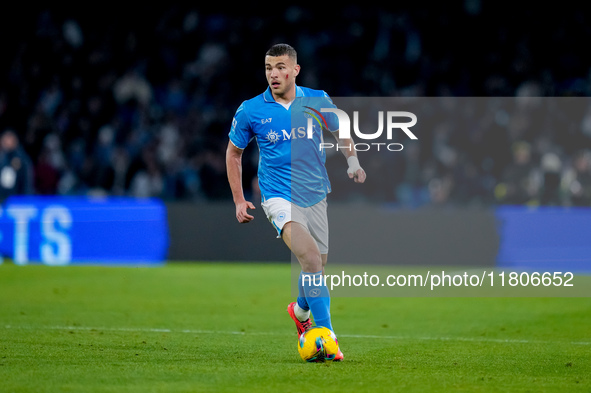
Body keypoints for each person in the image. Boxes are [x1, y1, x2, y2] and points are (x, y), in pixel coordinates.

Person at [226, 43, 366, 362]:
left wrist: (353, 161)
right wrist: (238, 199)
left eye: (279, 67)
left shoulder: (317, 99)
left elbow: (340, 129)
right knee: (312, 260)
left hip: (315, 194)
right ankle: (328, 338)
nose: (273, 74)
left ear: (294, 70)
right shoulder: (251, 109)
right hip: (277, 196)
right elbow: (234, 153)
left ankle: (300, 310)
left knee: (316, 266)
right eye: (268, 68)